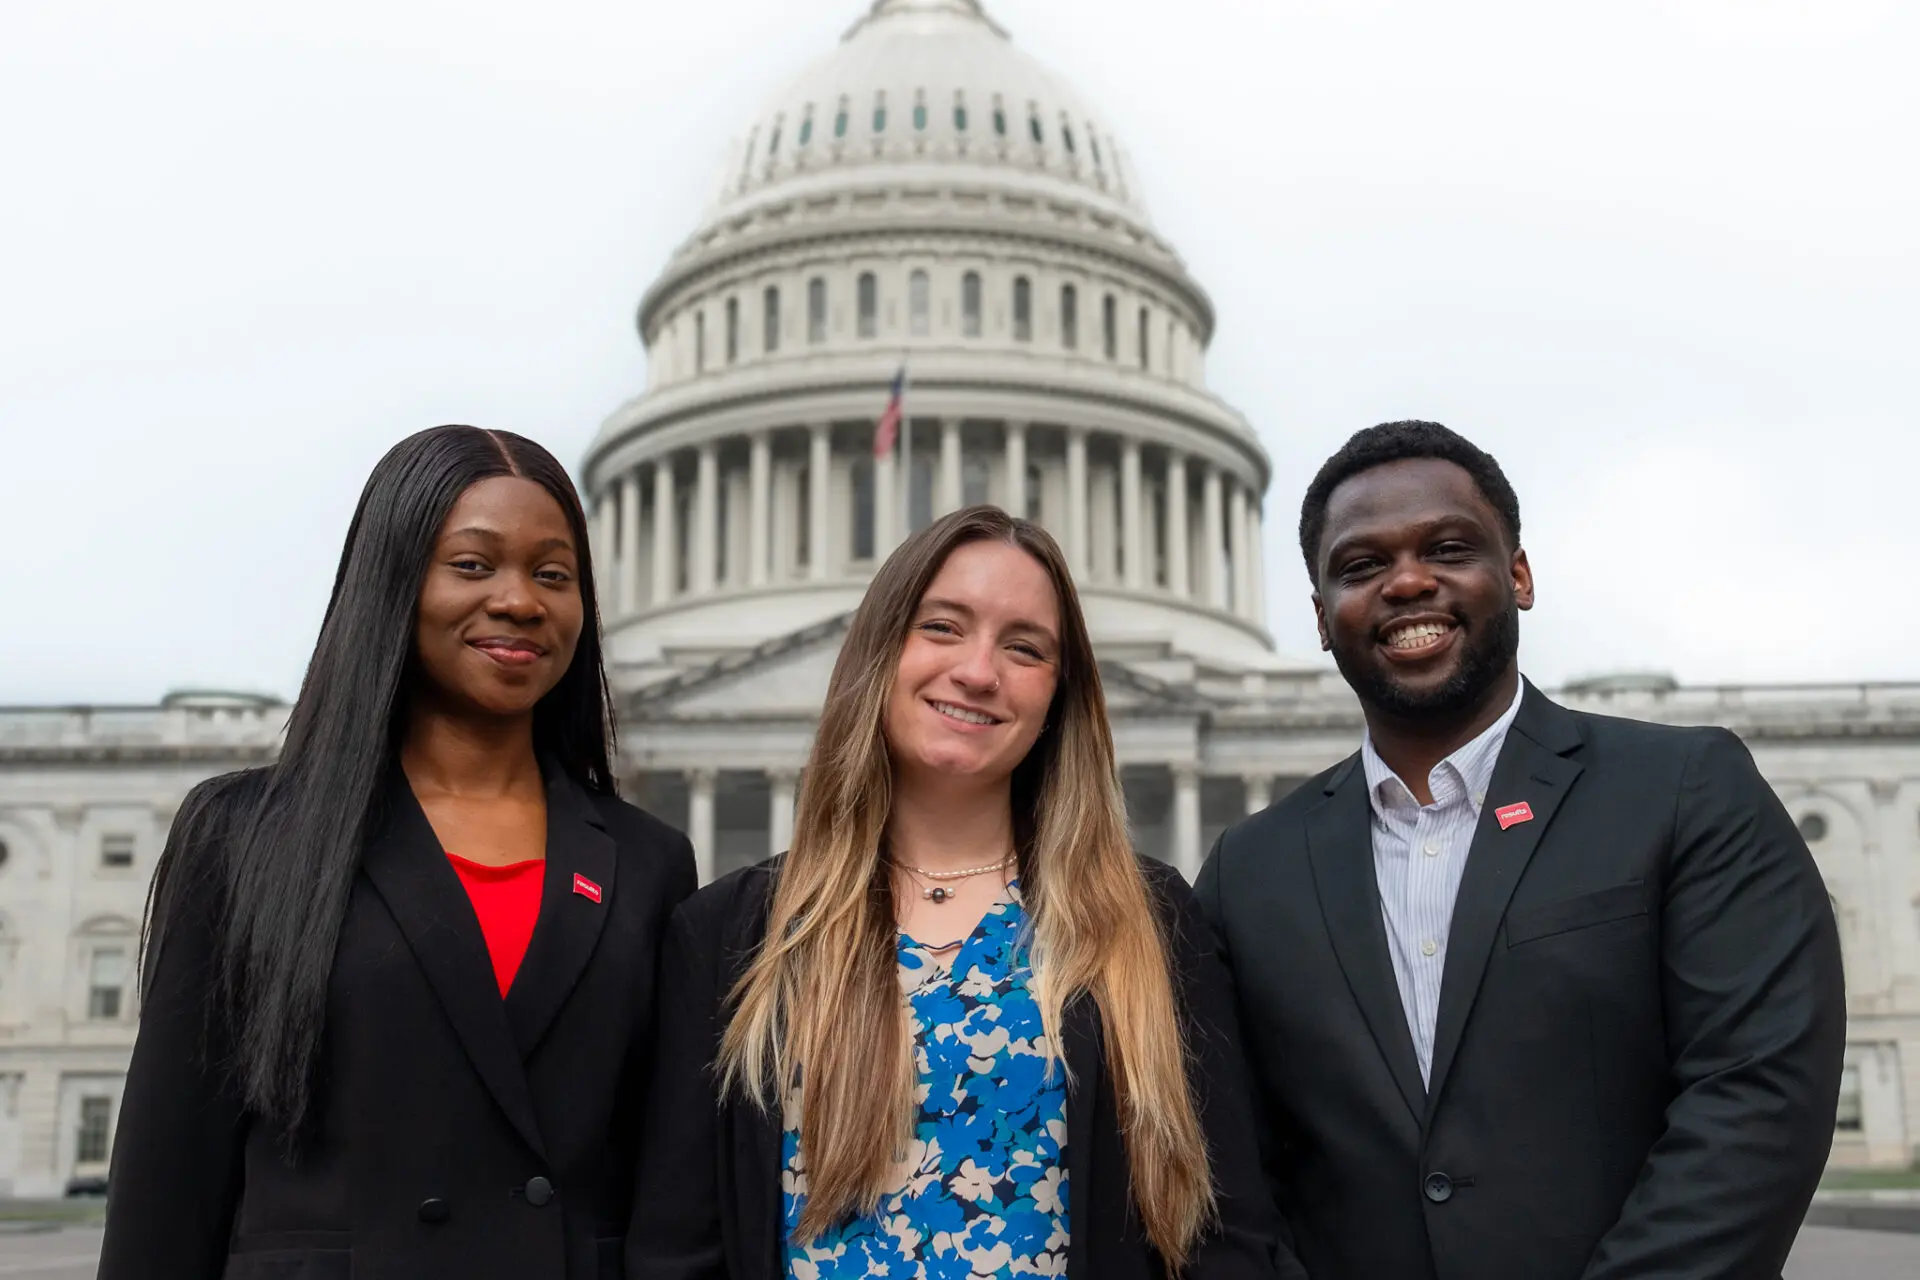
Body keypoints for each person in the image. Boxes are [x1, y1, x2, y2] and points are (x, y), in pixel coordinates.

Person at [1199, 420, 1847, 1279]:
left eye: (1447, 548)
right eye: (1361, 566)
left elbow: (1757, 1096)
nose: (1408, 582)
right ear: (1322, 619)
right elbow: (1222, 1165)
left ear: (1518, 575)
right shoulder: (1247, 872)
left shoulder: (1685, 790)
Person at [628, 505, 1297, 1280]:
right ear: (880, 649)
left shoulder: (1148, 920)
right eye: (942, 627)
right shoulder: (731, 933)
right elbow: (677, 1248)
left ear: (1058, 696)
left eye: (1025, 648)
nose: (979, 672)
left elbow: (1225, 1233)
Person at [99, 425, 697, 1280]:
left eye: (553, 575)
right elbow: (168, 1182)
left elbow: (664, 1188)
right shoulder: (245, 837)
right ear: (393, 580)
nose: (520, 601)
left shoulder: (648, 862)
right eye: (473, 565)